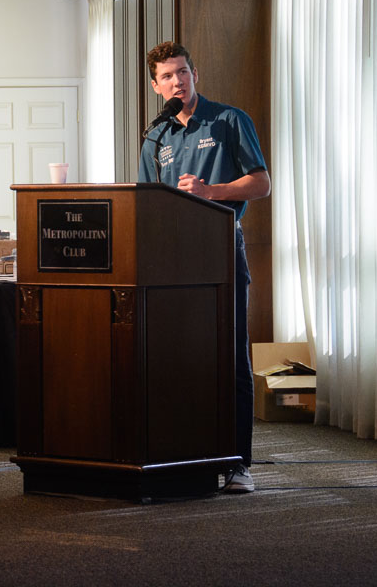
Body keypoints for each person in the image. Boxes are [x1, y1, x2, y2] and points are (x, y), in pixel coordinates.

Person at [139, 42, 271, 493]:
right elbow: (147, 203)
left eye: (183, 72)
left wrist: (210, 192)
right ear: (155, 86)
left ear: (195, 75)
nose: (177, 81)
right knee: (178, 356)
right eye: (168, 76)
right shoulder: (155, 137)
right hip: (171, 259)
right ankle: (181, 456)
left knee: (231, 357)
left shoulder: (229, 120)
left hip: (221, 248)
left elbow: (261, 183)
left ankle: (238, 464)